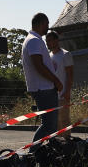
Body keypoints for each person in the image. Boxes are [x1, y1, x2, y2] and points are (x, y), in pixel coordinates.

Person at [22, 13, 64, 148]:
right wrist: (56, 80)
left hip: (43, 87)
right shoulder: (34, 40)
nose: (47, 28)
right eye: (46, 24)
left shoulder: (33, 39)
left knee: (50, 125)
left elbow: (40, 64)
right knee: (49, 124)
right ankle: (33, 151)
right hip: (44, 88)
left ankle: (51, 152)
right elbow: (38, 65)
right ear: (40, 24)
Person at [45, 30, 73, 139]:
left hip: (62, 94)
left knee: (64, 120)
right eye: (46, 41)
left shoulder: (65, 54)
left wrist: (67, 91)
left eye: (50, 40)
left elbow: (70, 75)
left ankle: (67, 143)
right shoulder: (49, 56)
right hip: (52, 95)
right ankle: (58, 145)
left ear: (57, 40)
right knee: (55, 122)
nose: (48, 43)